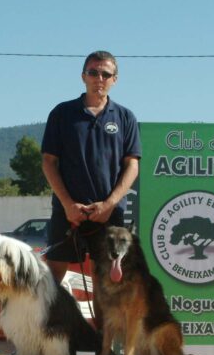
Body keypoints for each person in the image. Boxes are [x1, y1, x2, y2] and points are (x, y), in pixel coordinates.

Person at [41, 50, 141, 319]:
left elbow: (132, 165)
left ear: (115, 80)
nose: (99, 78)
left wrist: (109, 205)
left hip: (109, 214)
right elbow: (48, 162)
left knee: (106, 284)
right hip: (68, 212)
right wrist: (67, 204)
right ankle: (43, 345)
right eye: (93, 72)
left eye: (106, 74)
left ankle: (104, 350)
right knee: (50, 281)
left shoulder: (125, 117)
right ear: (83, 76)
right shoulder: (62, 113)